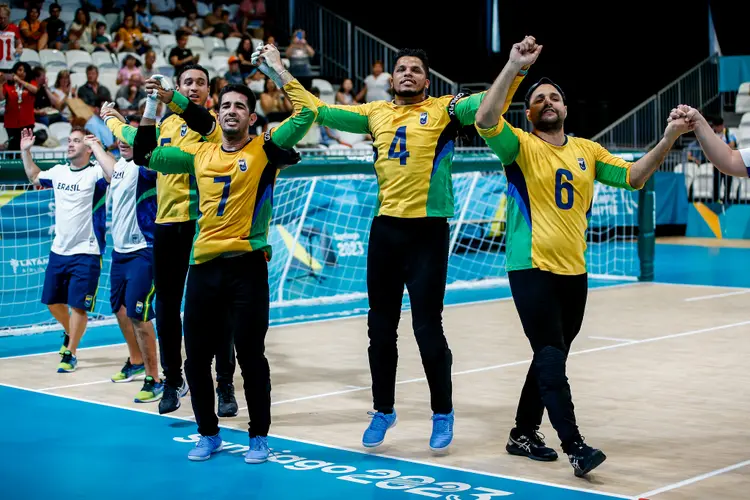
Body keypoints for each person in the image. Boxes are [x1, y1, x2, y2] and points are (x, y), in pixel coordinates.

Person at [254, 43, 524, 452]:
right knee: (379, 328)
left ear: (427, 80)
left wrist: (515, 67)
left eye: (416, 69)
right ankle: (383, 410)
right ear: (391, 79)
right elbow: (316, 110)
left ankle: (442, 412)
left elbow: (492, 104)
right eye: (401, 69)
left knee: (427, 328)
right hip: (385, 233)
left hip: (428, 233)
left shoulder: (446, 110)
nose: (408, 73)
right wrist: (277, 70)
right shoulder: (373, 112)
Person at [474, 36, 690, 477]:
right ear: (528, 112)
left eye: (554, 97)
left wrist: (669, 137)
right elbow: (483, 117)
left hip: (575, 272)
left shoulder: (587, 151)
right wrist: (516, 67)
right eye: (538, 99)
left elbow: (633, 176)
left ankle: (521, 432)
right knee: (551, 353)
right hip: (530, 266)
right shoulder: (517, 146)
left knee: (549, 356)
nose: (547, 102)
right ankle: (575, 446)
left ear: (566, 109)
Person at [131, 50, 316, 463]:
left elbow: (306, 114)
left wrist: (276, 71)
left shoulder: (266, 149)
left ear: (252, 118)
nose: (232, 111)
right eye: (227, 105)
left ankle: (258, 437)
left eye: (241, 107)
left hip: (247, 267)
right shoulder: (200, 155)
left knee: (251, 355)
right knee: (196, 358)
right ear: (219, 113)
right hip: (203, 267)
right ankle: (208, 433)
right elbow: (148, 155)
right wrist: (150, 105)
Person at [101, 64, 237, 417]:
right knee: (165, 308)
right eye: (187, 82)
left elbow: (196, 119)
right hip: (165, 226)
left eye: (200, 83)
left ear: (209, 90)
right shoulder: (167, 125)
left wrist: (169, 97)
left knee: (214, 309)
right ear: (179, 85)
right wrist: (113, 119)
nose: (194, 88)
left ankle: (224, 383)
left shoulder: (212, 125)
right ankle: (173, 380)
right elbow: (137, 142)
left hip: (202, 225)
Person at [20, 127, 111, 372]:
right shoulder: (59, 171)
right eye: (69, 140)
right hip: (59, 250)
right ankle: (69, 332)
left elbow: (114, 175)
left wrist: (99, 148)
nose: (70, 144)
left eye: (76, 141)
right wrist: (25, 152)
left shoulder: (96, 173)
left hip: (87, 251)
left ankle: (70, 352)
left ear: (88, 147)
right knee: (52, 302)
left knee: (78, 306)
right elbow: (34, 176)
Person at [100, 113, 163, 402]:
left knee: (139, 315)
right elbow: (111, 170)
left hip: (143, 250)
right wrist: (96, 144)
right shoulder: (122, 167)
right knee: (120, 310)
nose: (123, 142)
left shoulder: (145, 165)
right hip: (119, 252)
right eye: (120, 137)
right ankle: (136, 361)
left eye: (130, 137)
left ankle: (156, 377)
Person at [670, 104, 750, 179]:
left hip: (720, 161)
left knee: (727, 186)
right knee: (716, 185)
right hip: (716, 164)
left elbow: (731, 151)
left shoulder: (729, 133)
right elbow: (729, 160)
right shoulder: (712, 132)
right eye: (717, 126)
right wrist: (698, 122)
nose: (719, 127)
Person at [1, 61, 37, 150]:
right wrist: (0, 83)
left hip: (27, 122)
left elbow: (35, 90)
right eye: (20, 70)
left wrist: (20, 81)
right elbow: (1, 98)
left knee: (25, 148)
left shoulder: (31, 83)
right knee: (13, 147)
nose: (22, 73)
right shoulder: (8, 85)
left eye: (24, 71)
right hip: (11, 122)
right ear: (15, 71)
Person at [0, 4, 23, 73]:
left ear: (8, 17)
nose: (2, 20)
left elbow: (19, 44)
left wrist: (19, 49)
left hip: (9, 65)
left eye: (5, 18)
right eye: (0, 18)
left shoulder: (14, 28)